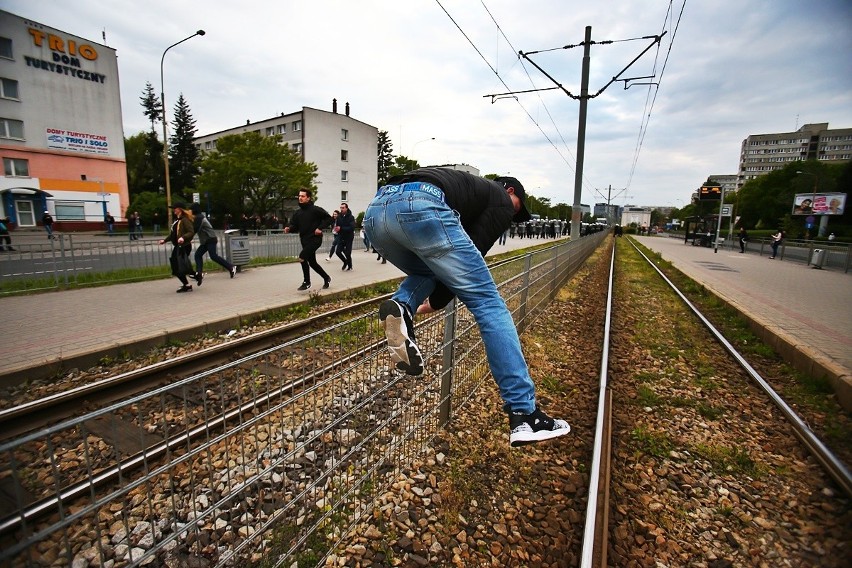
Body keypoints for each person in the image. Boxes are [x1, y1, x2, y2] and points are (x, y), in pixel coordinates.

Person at [364, 168, 570, 447]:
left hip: (376, 213)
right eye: (516, 210)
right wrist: (438, 302)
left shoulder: (470, 188)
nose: (511, 218)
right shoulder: (500, 197)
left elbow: (446, 266)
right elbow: (474, 250)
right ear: (510, 191)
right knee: (489, 305)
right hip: (422, 204)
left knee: (430, 266)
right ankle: (524, 414)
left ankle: (402, 304)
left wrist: (433, 300)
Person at [284, 188, 333, 291]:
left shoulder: (315, 209)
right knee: (312, 263)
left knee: (302, 257)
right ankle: (326, 278)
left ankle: (307, 282)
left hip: (315, 240)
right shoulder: (298, 213)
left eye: (303, 196)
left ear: (308, 198)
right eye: (299, 196)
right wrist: (289, 229)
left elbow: (329, 218)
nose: (300, 198)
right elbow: (295, 226)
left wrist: (320, 228)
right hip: (304, 240)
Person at [190, 203, 237, 285]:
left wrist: (187, 238)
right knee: (198, 255)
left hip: (210, 239)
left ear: (194, 210)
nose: (189, 211)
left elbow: (195, 229)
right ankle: (199, 273)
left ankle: (231, 267)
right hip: (206, 241)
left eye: (191, 210)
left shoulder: (199, 217)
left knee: (213, 256)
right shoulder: (198, 217)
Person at [158, 202, 196, 292]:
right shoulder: (177, 220)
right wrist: (164, 240)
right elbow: (173, 235)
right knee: (178, 266)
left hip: (184, 246)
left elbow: (191, 232)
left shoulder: (185, 220)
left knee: (179, 265)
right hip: (179, 246)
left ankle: (194, 277)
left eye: (175, 208)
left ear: (180, 209)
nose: (173, 210)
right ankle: (191, 279)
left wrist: (183, 237)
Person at [335, 202, 355, 271]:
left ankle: (350, 265)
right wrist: (336, 229)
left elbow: (351, 228)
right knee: (338, 251)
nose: (341, 209)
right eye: (341, 208)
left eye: (343, 208)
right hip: (341, 236)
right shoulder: (339, 217)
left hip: (349, 237)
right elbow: (338, 226)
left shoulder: (351, 217)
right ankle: (345, 261)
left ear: (346, 208)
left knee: (347, 253)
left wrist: (341, 228)